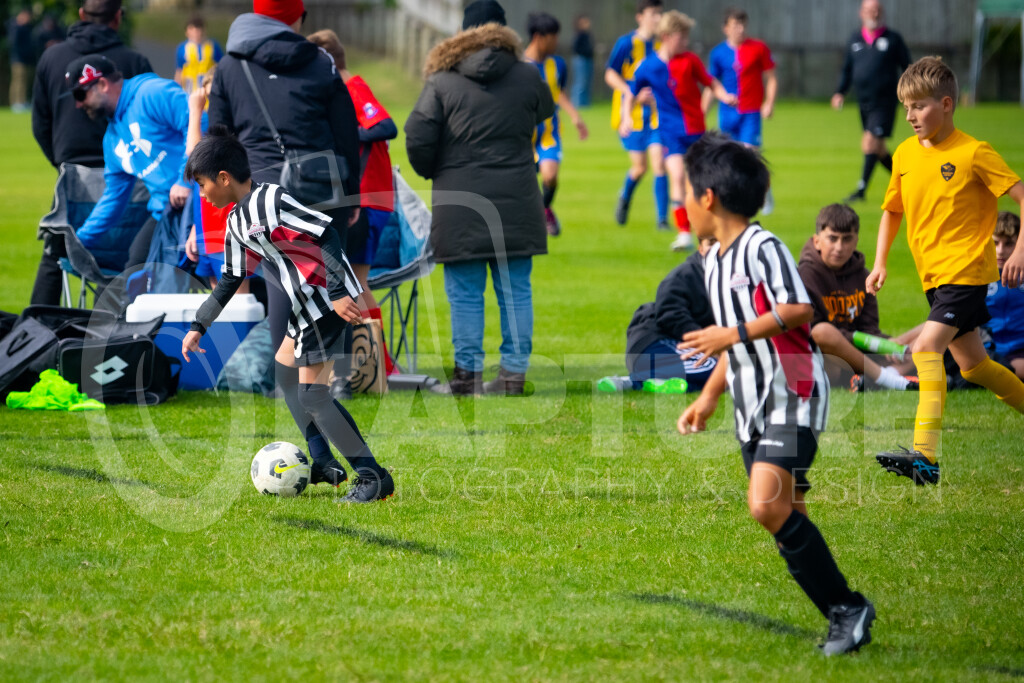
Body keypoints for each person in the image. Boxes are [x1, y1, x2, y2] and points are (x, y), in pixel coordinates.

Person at [677, 132, 875, 656]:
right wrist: (710, 397)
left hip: (794, 395)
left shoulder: (762, 247)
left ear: (708, 198)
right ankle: (843, 615)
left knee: (765, 505)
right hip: (751, 406)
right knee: (788, 512)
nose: (682, 206)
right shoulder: (713, 260)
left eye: (685, 194)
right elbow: (734, 340)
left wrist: (731, 334)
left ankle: (848, 607)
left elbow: (797, 309)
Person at [181, 131, 393, 503]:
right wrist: (200, 324)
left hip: (325, 298)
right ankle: (323, 461)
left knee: (314, 396)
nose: (202, 193)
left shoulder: (272, 199)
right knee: (285, 373)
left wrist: (339, 293)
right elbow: (231, 278)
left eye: (202, 184)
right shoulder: (236, 220)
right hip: (304, 304)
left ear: (224, 178)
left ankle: (373, 477)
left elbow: (326, 232)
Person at [208, 0, 363, 470]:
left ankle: (332, 453)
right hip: (322, 194)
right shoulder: (320, 61)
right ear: (295, 17)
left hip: (263, 200)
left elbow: (218, 140)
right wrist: (352, 194)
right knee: (321, 307)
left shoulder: (230, 66)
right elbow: (346, 132)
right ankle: (328, 430)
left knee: (287, 328)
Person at [866, 57, 1024, 486]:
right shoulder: (904, 154)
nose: (910, 116)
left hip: (966, 274)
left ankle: (924, 457)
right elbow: (891, 211)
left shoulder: (974, 152)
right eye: (906, 107)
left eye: (919, 106)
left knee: (925, 349)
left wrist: (1019, 252)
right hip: (934, 279)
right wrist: (880, 262)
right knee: (974, 367)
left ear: (947, 104)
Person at [405, 0, 554, 396]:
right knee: (516, 292)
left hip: (460, 201)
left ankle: (466, 377)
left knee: (466, 294)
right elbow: (545, 110)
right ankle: (512, 376)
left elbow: (418, 135)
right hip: (517, 198)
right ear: (504, 31)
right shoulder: (527, 74)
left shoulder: (442, 80)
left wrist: (435, 170)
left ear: (462, 32)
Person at [30, 0, 152, 306]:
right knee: (139, 251)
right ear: (118, 17)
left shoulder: (51, 58)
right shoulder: (134, 62)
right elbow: (151, 130)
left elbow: (40, 124)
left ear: (82, 15)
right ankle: (115, 324)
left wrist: (64, 165)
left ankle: (34, 326)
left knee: (55, 253)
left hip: (73, 185)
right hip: (131, 192)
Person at [307, 28, 398, 374]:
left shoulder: (352, 87)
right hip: (368, 198)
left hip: (369, 198)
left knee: (355, 284)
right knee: (355, 283)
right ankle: (370, 367)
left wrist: (343, 135)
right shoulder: (342, 90)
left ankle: (379, 365)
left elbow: (386, 126)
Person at [66, 54, 190, 277]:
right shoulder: (112, 139)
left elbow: (202, 126)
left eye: (80, 94)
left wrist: (186, 179)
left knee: (225, 274)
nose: (78, 104)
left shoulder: (152, 93)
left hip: (206, 203)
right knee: (134, 273)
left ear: (102, 84)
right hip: (166, 212)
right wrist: (79, 241)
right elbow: (114, 197)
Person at [621, 10, 734, 252]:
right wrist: (626, 118)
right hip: (670, 134)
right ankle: (684, 233)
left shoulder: (690, 60)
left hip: (696, 131)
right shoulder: (649, 66)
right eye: (682, 37)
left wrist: (724, 95)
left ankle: (710, 230)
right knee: (677, 176)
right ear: (666, 36)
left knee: (699, 185)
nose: (686, 41)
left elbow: (710, 82)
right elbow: (630, 93)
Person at [798, 203, 918, 390]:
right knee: (822, 331)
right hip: (827, 360)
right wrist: (872, 343)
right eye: (832, 238)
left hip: (862, 354)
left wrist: (886, 344)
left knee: (935, 327)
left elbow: (869, 328)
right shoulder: (804, 275)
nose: (839, 247)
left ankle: (887, 374)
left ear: (856, 241)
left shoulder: (863, 275)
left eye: (847, 239)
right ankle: (887, 378)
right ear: (817, 241)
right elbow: (811, 333)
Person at [831, 0, 910, 203]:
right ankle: (908, 182)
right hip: (864, 102)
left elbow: (908, 68)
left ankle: (861, 189)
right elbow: (847, 69)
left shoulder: (893, 39)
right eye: (868, 10)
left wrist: (910, 95)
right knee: (879, 149)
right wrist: (840, 92)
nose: (873, 14)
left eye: (876, 10)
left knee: (869, 142)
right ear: (861, 13)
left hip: (885, 102)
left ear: (881, 13)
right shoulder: (855, 39)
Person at [705, 7, 777, 214]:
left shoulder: (758, 48)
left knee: (750, 154)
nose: (741, 29)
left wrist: (769, 102)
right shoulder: (718, 53)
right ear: (725, 28)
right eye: (736, 25)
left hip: (750, 112)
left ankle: (764, 192)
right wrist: (702, 111)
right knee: (730, 159)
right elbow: (711, 84)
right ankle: (735, 200)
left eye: (743, 24)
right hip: (727, 114)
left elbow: (771, 78)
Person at [523, 12, 588, 238]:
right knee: (525, 184)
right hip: (523, 137)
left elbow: (558, 92)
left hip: (549, 133)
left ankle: (543, 210)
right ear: (539, 37)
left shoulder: (557, 64)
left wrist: (575, 116)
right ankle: (540, 213)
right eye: (553, 37)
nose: (556, 42)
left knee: (550, 176)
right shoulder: (519, 65)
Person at [625, 235, 718, 391]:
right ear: (700, 248)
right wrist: (705, 342)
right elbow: (669, 314)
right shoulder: (684, 276)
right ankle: (633, 381)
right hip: (654, 342)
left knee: (724, 373)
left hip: (675, 349)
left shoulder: (729, 276)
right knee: (717, 368)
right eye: (712, 243)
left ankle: (660, 383)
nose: (717, 249)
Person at [606, 0, 668, 230]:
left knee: (659, 164)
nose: (657, 18)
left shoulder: (663, 43)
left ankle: (662, 220)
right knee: (640, 168)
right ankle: (625, 196)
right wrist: (631, 92)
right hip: (631, 116)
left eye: (660, 13)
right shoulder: (626, 43)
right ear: (640, 17)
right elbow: (610, 74)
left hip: (658, 117)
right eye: (653, 14)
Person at [986, 212, 1024, 380]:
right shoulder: (978, 274)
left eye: (1008, 244)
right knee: (940, 323)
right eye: (995, 243)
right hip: (984, 348)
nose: (1000, 251)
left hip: (1018, 351)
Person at [174, 14, 223, 95]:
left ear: (204, 30)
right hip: (189, 93)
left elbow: (221, 68)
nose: (195, 33)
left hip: (209, 93)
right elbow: (179, 71)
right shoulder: (183, 49)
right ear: (187, 32)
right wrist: (176, 90)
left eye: (198, 29)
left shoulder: (213, 46)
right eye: (192, 29)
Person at [7, 9, 35, 112]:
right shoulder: (15, 27)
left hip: (25, 59)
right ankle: (16, 102)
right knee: (18, 81)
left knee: (24, 81)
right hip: (18, 59)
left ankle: (22, 101)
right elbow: (13, 43)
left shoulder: (25, 28)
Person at [569, 14, 593, 108]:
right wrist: (586, 51)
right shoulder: (579, 35)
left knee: (586, 82)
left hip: (587, 59)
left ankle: (585, 104)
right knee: (580, 82)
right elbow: (575, 48)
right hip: (580, 60)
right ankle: (577, 103)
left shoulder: (587, 35)